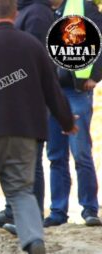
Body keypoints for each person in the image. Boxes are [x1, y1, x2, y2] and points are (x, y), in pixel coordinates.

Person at [0, 0, 78, 252]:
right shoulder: (33, 45)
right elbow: (52, 89)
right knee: (21, 192)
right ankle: (33, 239)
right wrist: (67, 121)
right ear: (15, 14)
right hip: (26, 133)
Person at [0, 0, 56, 231]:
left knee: (32, 162)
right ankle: (12, 212)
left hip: (29, 100)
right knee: (15, 161)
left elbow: (35, 63)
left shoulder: (36, 14)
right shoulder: (25, 11)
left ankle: (32, 219)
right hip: (17, 99)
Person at [43, 0, 102, 227]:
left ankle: (89, 209)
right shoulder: (38, 11)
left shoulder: (83, 6)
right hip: (52, 93)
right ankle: (58, 212)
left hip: (77, 91)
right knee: (56, 155)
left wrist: (95, 76)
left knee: (81, 153)